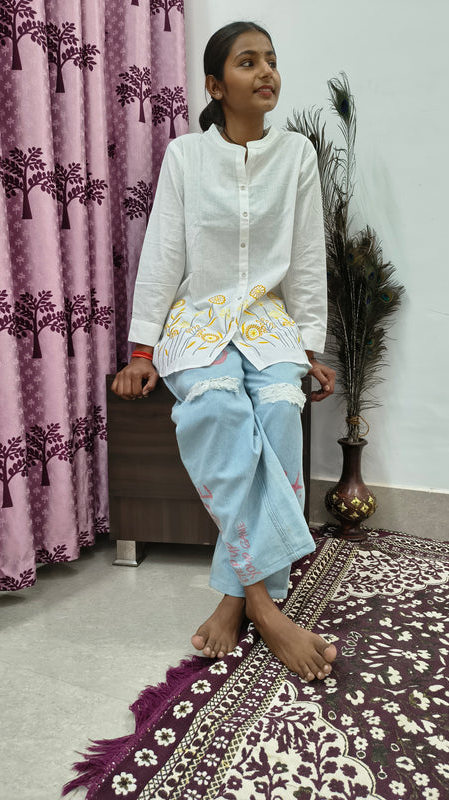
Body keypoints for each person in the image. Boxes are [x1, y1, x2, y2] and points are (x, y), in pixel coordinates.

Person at [112, 21, 337, 682]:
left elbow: (305, 261)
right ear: (216, 84)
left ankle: (236, 595)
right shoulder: (185, 156)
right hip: (200, 319)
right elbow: (163, 256)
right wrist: (142, 350)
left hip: (267, 324)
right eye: (247, 62)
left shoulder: (296, 156)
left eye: (271, 60)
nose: (266, 71)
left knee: (276, 407)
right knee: (214, 405)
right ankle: (266, 605)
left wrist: (308, 346)